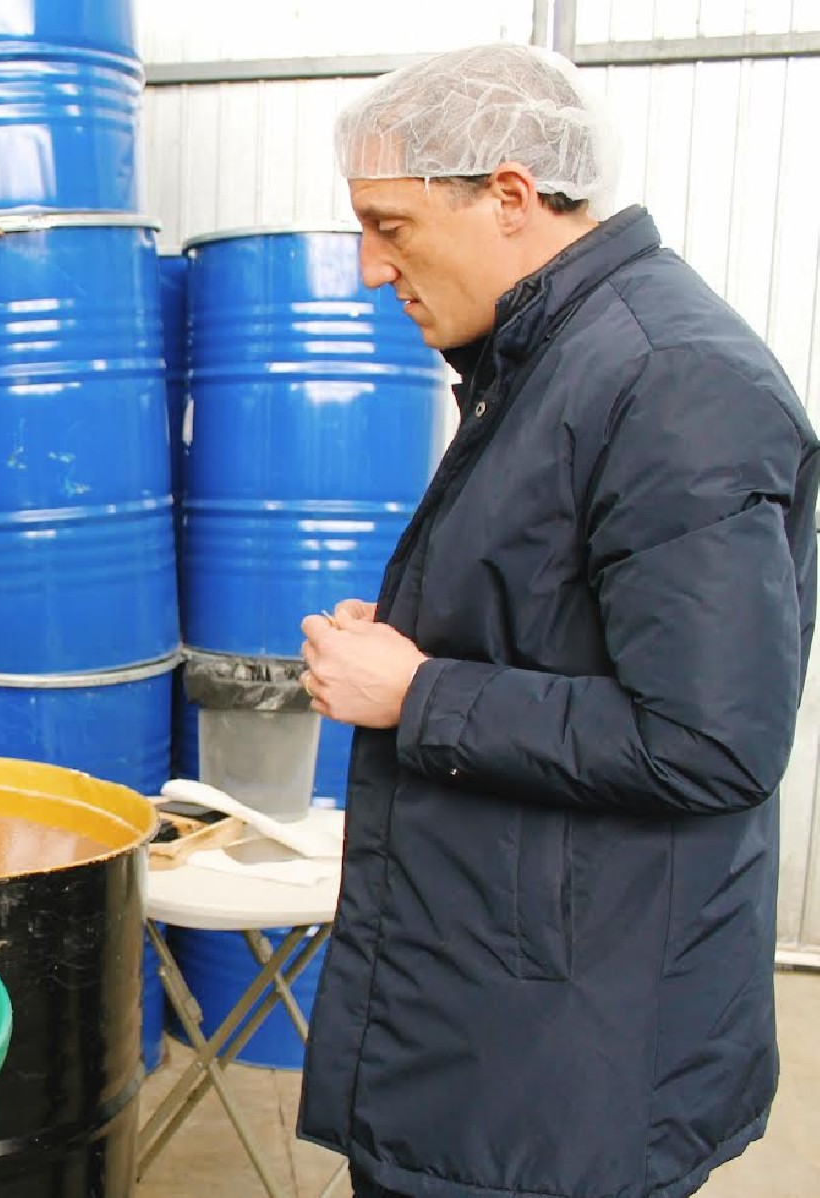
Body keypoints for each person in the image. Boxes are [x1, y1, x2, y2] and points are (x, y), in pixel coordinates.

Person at [295, 43, 820, 1198]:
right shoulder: (549, 362)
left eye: (390, 226)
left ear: (510, 195)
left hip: (569, 1059)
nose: (371, 269)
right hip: (500, 1015)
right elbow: (558, 616)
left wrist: (417, 692)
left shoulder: (669, 380)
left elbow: (709, 738)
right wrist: (415, 638)